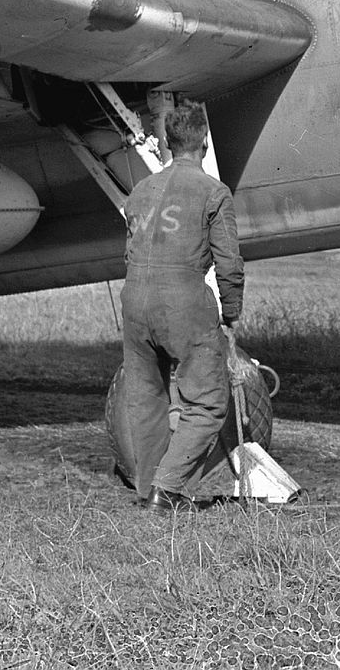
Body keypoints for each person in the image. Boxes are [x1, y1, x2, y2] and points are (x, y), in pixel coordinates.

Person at [119, 101, 244, 511]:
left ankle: (146, 490)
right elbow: (228, 262)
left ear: (170, 144)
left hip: (135, 299)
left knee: (146, 397)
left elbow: (129, 252)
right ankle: (167, 489)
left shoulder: (140, 191)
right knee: (208, 401)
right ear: (204, 144)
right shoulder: (213, 192)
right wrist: (231, 315)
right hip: (183, 300)